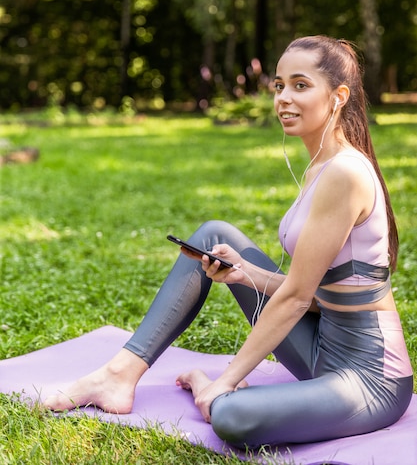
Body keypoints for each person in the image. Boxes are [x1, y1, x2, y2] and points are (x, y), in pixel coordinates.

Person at [44, 35, 413, 449]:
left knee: (234, 417)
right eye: (279, 86)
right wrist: (245, 272)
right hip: (320, 346)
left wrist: (222, 382)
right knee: (213, 234)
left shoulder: (345, 174)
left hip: (369, 377)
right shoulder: (319, 167)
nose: (284, 99)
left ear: (338, 96)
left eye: (300, 85)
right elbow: (313, 295)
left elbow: (295, 299)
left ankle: (211, 394)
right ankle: (119, 375)